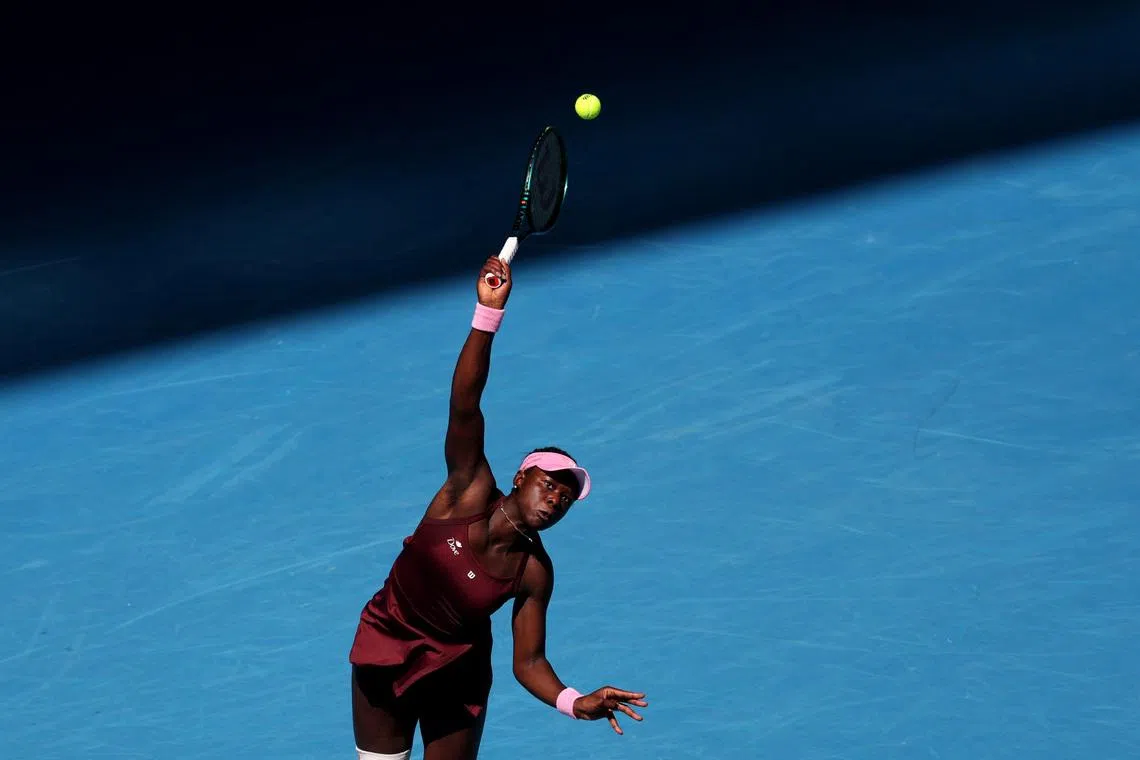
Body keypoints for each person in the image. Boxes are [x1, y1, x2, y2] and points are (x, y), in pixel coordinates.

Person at [348, 255, 648, 760]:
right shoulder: (467, 489)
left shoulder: (534, 572)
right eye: (549, 484)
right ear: (520, 478)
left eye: (566, 497)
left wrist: (577, 703)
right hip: (388, 644)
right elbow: (465, 403)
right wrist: (487, 315)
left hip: (456, 675)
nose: (556, 499)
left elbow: (528, 662)